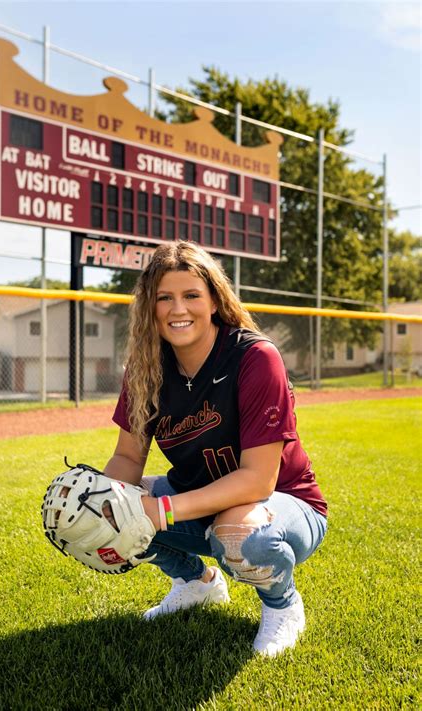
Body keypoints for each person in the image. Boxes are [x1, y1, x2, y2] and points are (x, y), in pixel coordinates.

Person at [104, 241, 327, 657]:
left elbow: (258, 479)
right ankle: (196, 583)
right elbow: (128, 458)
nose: (178, 309)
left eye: (191, 295)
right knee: (117, 502)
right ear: (149, 307)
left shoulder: (254, 356)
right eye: (164, 298)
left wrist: (161, 510)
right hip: (201, 502)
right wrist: (107, 507)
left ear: (213, 301)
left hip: (283, 503)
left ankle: (283, 605)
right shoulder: (146, 368)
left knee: (239, 533)